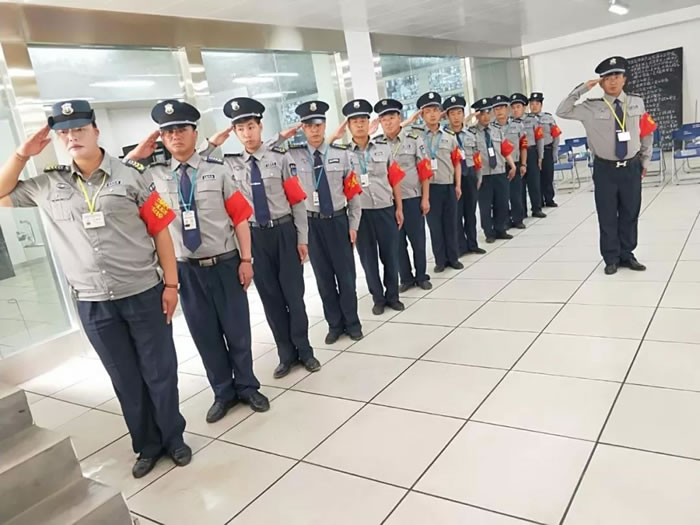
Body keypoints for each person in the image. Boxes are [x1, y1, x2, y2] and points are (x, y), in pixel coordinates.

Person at [0, 100, 189, 479]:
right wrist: (22, 154)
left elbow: (161, 231)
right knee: (125, 378)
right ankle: (147, 445)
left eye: (79, 129)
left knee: (160, 371)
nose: (72, 137)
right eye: (64, 132)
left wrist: (171, 284)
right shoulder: (47, 184)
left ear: (95, 131)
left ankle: (173, 437)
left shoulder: (132, 175)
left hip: (143, 292)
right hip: (93, 302)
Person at [127, 100, 270, 423]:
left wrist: (246, 259)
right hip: (185, 270)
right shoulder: (153, 176)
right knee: (204, 335)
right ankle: (223, 392)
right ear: (161, 138)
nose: (175, 136)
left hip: (225, 263)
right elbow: (119, 177)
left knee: (238, 331)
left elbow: (240, 218)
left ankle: (247, 386)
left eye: (181, 130)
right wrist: (136, 154)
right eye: (168, 132)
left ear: (195, 133)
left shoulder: (218, 171)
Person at [211, 97, 319, 379]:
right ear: (234, 133)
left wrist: (302, 238)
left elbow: (296, 201)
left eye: (250, 126)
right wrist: (213, 142)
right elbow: (197, 159)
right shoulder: (228, 164)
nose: (247, 134)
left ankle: (305, 350)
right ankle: (286, 354)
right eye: (240, 129)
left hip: (283, 232)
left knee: (294, 296)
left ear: (260, 126)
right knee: (270, 299)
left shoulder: (280, 158)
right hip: (253, 237)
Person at [273, 100, 363, 344]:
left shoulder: (342, 154)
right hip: (311, 224)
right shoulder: (291, 155)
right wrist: (283, 136)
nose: (314, 130)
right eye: (309, 126)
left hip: (338, 220)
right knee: (323, 278)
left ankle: (352, 323)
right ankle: (334, 324)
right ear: (302, 128)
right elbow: (266, 150)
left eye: (318, 125)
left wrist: (353, 225)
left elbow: (354, 193)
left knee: (346, 277)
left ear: (324, 125)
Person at [557, 56, 656, 275]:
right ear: (601, 82)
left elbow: (646, 132)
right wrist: (583, 88)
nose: (612, 81)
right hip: (605, 170)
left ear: (624, 79)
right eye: (607, 77)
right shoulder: (590, 107)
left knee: (630, 212)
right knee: (607, 214)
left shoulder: (637, 103)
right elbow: (562, 111)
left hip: (631, 167)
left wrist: (645, 160)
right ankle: (611, 257)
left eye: (617, 76)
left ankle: (627, 254)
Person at [343, 98, 405, 316]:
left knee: (390, 256)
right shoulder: (342, 153)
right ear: (348, 126)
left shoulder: (383, 148)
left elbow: (394, 179)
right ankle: (378, 298)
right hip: (360, 214)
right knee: (368, 260)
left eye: (363, 120)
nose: (359, 125)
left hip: (385, 209)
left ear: (369, 123)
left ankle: (393, 296)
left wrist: (399, 207)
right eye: (355, 122)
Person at [374, 98, 433, 293]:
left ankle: (421, 276)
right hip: (389, 202)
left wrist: (425, 198)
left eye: (391, 118)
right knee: (397, 243)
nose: (388, 122)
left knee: (418, 241)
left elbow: (425, 171)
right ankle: (406, 278)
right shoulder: (376, 144)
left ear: (399, 118)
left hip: (412, 198)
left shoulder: (414, 139)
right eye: (384, 119)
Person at [416, 91, 464, 273]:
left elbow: (457, 162)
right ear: (422, 114)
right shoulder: (416, 136)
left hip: (448, 185)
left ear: (441, 113)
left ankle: (453, 258)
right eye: (428, 111)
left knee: (451, 224)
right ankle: (440, 260)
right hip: (428, 189)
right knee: (435, 227)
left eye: (435, 110)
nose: (432, 115)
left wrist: (457, 185)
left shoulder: (449, 136)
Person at [443, 95, 486, 255]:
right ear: (447, 116)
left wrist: (479, 176)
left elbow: (477, 156)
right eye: (452, 113)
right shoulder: (444, 136)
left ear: (463, 114)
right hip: (453, 179)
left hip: (469, 176)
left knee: (470, 212)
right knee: (456, 214)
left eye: (459, 113)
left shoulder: (470, 134)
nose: (456, 117)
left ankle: (473, 244)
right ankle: (460, 246)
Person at [470, 97, 516, 243]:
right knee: (485, 205)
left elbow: (505, 149)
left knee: (501, 203)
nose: (486, 116)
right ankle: (489, 232)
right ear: (477, 115)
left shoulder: (497, 130)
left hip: (499, 172)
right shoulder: (471, 132)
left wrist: (512, 165)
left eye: (488, 113)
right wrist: (469, 118)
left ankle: (500, 229)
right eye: (482, 113)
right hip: (483, 175)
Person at [492, 94, 528, 229]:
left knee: (516, 194)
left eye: (501, 108)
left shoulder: (517, 125)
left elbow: (523, 146)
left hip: (515, 163)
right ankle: (504, 221)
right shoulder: (490, 128)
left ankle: (518, 219)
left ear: (507, 109)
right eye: (496, 109)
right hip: (498, 167)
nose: (499, 112)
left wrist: (523, 164)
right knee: (501, 197)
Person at [512, 93, 547, 219]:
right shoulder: (510, 123)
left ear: (524, 107)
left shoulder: (533, 120)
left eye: (518, 107)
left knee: (534, 182)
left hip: (531, 152)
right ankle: (522, 211)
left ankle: (536, 208)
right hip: (517, 155)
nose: (515, 110)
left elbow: (540, 139)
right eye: (513, 107)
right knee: (519, 185)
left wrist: (540, 157)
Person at [528, 92, 562, 208]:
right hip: (533, 152)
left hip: (547, 150)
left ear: (541, 105)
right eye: (532, 104)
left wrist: (555, 152)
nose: (534, 106)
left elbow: (556, 135)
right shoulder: (526, 120)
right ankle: (539, 201)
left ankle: (549, 199)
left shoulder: (548, 118)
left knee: (547, 175)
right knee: (535, 178)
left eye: (537, 104)